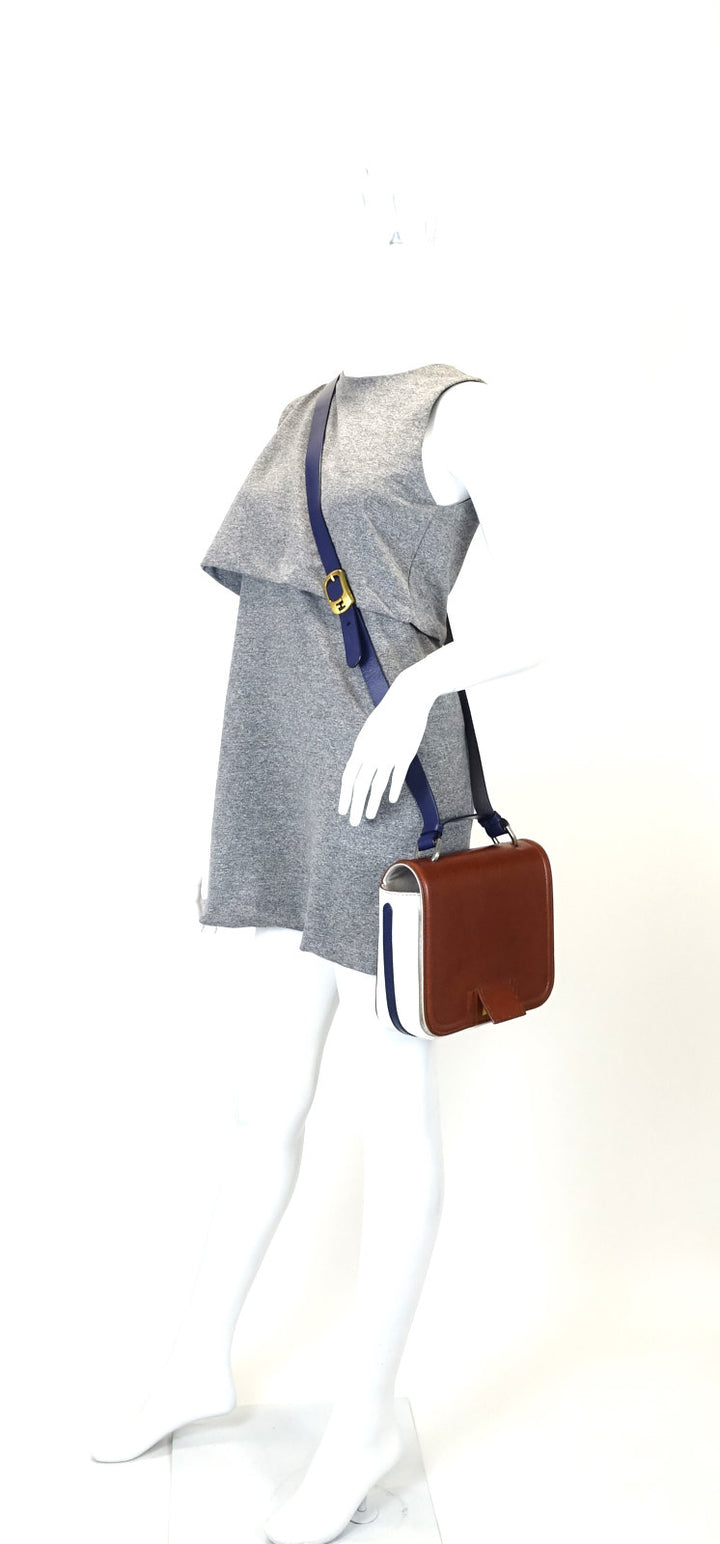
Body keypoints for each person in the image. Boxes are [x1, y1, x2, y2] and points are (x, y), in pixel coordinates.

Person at [90, 167, 542, 1544]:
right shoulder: (307, 412)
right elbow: (264, 623)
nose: (345, 247)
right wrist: (229, 811)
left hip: (387, 792)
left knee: (395, 1113)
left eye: (376, 225)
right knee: (262, 1098)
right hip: (293, 788)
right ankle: (196, 1356)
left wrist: (422, 690)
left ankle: (365, 1423)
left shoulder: (458, 409)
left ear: (420, 244)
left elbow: (573, 598)